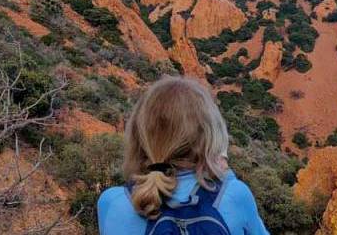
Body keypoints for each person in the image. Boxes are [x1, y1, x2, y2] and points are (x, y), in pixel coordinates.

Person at [97, 77, 269, 234]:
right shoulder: (235, 196)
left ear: (138, 135)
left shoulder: (112, 203)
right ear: (207, 135)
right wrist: (224, 171)